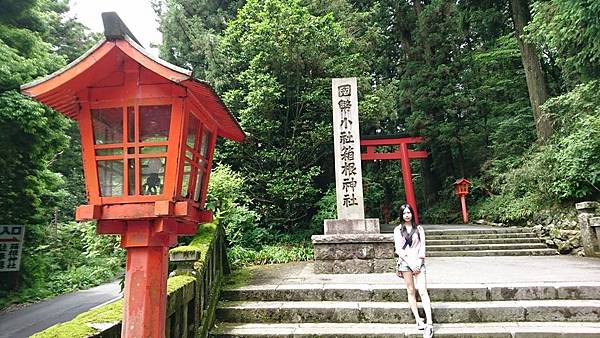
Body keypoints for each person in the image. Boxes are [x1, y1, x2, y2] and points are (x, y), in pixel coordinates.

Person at [394, 203, 434, 338]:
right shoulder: (398, 230)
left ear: (412, 213)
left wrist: (419, 262)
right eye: (404, 213)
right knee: (411, 291)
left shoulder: (419, 229)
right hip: (406, 264)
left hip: (418, 263)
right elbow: (398, 249)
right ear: (401, 215)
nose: (407, 215)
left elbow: (422, 247)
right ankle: (418, 319)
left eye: (409, 212)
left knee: (423, 291)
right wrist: (411, 263)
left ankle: (429, 324)